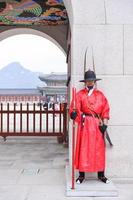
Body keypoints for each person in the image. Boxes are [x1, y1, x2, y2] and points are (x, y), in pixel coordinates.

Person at [69, 69, 110, 184]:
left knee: (99, 149)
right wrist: (74, 114)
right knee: (84, 148)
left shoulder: (100, 95)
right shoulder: (80, 94)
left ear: (95, 81)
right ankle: (81, 175)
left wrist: (104, 124)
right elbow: (74, 109)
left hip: (97, 125)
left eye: (92, 80)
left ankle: (101, 174)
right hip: (85, 124)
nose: (90, 82)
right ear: (85, 82)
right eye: (88, 80)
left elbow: (105, 110)